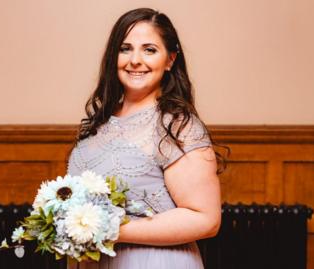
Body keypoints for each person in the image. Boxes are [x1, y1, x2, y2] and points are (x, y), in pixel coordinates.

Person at [67, 7, 226, 269]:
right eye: (125, 48)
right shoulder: (100, 123)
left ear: (170, 60)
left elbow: (206, 219)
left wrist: (109, 230)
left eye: (149, 50)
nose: (135, 60)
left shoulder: (177, 125)